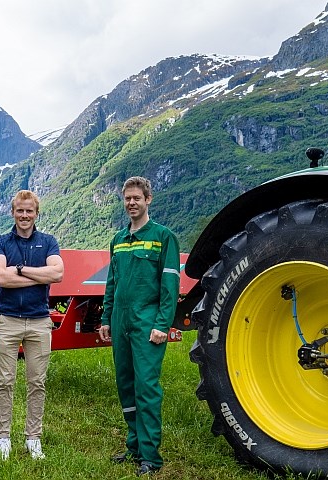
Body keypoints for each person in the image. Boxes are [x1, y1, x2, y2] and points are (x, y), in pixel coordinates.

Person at [98, 176, 180, 476]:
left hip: (148, 324)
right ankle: (133, 445)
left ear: (148, 199)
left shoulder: (163, 237)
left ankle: (151, 455)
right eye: (127, 198)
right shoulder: (118, 240)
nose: (132, 203)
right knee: (126, 385)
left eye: (137, 198)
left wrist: (162, 324)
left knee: (146, 387)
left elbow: (170, 285)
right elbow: (112, 283)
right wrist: (106, 318)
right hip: (120, 322)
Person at [0, 189, 64, 461]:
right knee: (5, 381)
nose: (24, 215)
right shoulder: (0, 242)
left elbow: (57, 273)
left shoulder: (48, 242)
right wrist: (39, 276)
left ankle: (33, 438)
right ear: (13, 212)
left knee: (37, 382)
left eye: (29, 211)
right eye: (19, 210)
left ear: (36, 213)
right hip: (7, 320)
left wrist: (19, 270)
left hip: (39, 322)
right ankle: (3, 437)